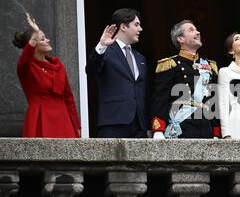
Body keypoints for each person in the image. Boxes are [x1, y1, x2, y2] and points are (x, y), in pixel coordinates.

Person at [12, 13, 81, 138]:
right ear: (33, 44)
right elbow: (25, 58)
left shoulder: (58, 65)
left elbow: (68, 98)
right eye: (42, 39)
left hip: (64, 120)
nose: (47, 40)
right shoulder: (26, 67)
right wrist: (35, 33)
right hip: (40, 118)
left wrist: (76, 126)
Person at [151, 20, 220, 139]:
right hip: (181, 127)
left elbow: (213, 101)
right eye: (191, 30)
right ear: (180, 39)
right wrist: (158, 129)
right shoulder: (171, 64)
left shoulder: (210, 66)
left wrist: (216, 132)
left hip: (206, 127)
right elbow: (160, 98)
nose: (198, 32)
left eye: (197, 30)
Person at [86, 8, 149, 138]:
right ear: (124, 27)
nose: (140, 29)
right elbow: (91, 70)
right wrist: (102, 45)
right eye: (136, 25)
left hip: (139, 125)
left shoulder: (140, 58)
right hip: (113, 122)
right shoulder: (106, 51)